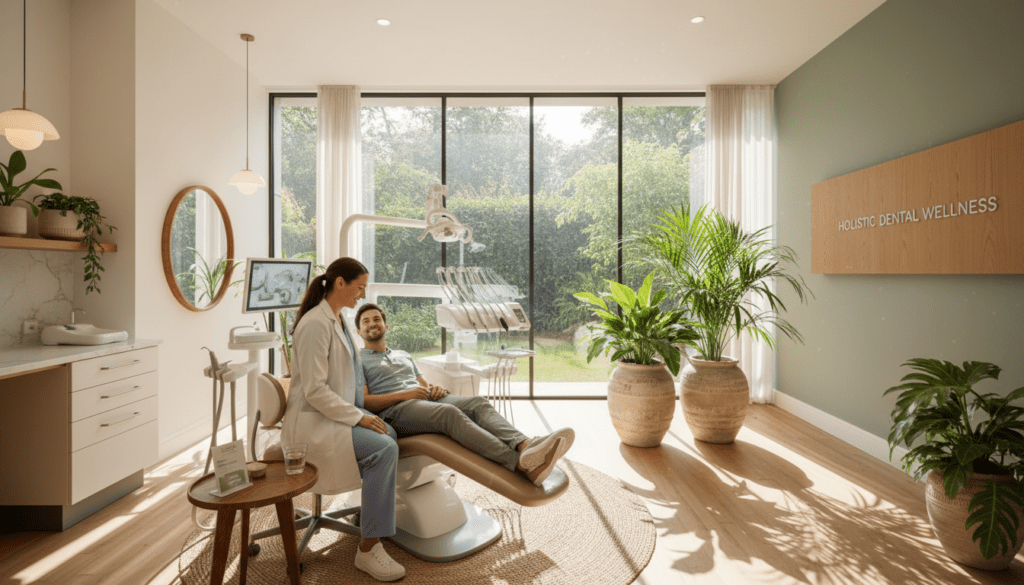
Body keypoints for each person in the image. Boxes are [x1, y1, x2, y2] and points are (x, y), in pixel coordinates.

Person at [279, 259, 405, 582]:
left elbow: (349, 375)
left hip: (334, 416)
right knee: (384, 449)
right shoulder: (315, 324)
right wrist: (359, 418)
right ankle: (368, 547)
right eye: (359, 287)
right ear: (339, 283)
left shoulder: (336, 319)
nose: (362, 295)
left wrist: (368, 410)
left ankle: (372, 511)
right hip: (312, 426)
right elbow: (316, 392)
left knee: (389, 432)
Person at [355, 302, 574, 486]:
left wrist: (434, 389)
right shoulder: (358, 361)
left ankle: (525, 445)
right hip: (394, 412)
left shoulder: (403, 354)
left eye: (376, 319)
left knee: (478, 403)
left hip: (420, 401)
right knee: (448, 414)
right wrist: (405, 395)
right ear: (359, 332)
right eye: (365, 321)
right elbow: (365, 401)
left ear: (386, 325)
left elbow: (423, 385)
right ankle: (518, 462)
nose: (372, 324)